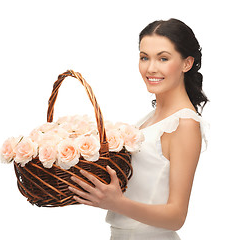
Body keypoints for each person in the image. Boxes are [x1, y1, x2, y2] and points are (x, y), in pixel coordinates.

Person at [68, 18, 209, 240]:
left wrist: (117, 203)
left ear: (186, 63)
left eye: (163, 58)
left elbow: (176, 217)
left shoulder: (184, 123)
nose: (150, 68)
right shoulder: (149, 119)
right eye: (145, 57)